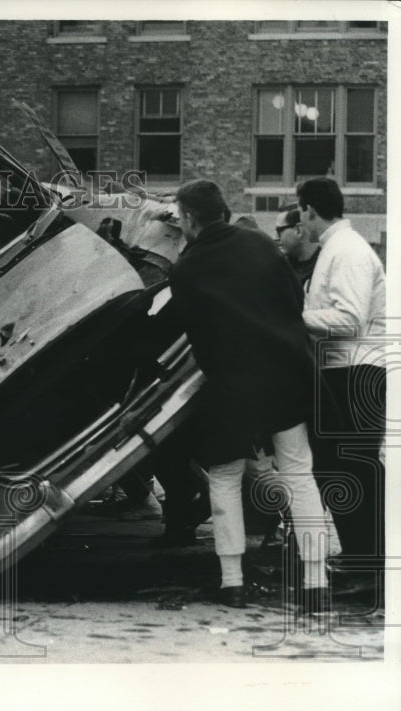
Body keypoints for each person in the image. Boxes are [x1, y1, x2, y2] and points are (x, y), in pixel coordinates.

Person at [168, 179, 332, 611]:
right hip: (285, 373)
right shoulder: (261, 244)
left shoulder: (184, 269)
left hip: (230, 384)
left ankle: (232, 582)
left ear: (188, 218)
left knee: (223, 477)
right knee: (299, 472)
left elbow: (195, 335)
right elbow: (294, 300)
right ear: (223, 209)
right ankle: (315, 583)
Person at [296, 177, 386, 595]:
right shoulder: (339, 249)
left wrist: (292, 319)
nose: (300, 221)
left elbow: (349, 320)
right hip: (347, 371)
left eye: (301, 212)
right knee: (344, 467)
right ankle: (361, 558)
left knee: (349, 469)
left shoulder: (346, 252)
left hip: (355, 371)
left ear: (311, 210)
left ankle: (366, 569)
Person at [275, 205, 321, 288]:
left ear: (298, 230)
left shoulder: (324, 266)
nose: (276, 237)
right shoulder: (283, 266)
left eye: (279, 231)